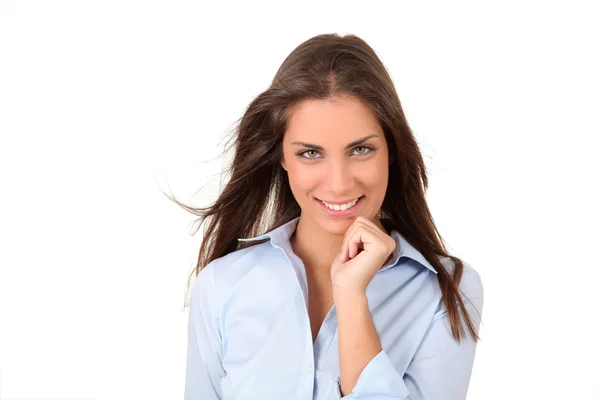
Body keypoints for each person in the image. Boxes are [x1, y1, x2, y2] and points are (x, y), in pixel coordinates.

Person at [170, 33, 484, 399]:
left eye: (361, 149)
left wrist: (351, 296)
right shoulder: (222, 285)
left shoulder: (448, 291)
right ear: (282, 157)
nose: (338, 184)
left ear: (392, 151)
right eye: (310, 153)